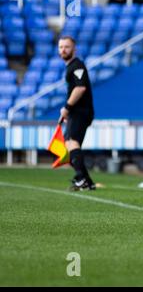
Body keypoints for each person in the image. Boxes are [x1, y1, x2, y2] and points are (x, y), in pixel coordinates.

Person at [58, 36, 96, 191]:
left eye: (67, 47)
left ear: (74, 49)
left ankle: (81, 179)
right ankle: (87, 181)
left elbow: (80, 88)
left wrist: (67, 107)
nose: (63, 50)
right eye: (61, 47)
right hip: (77, 111)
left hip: (80, 111)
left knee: (72, 143)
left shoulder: (77, 65)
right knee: (70, 144)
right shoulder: (71, 67)